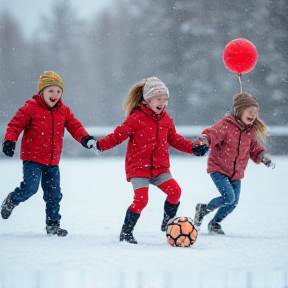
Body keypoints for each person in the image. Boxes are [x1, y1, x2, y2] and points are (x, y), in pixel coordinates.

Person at [94, 76, 208, 244]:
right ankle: (126, 233)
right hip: (138, 168)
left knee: (175, 192)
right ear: (147, 99)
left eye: (165, 100)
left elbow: (175, 139)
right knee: (141, 200)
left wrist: (193, 148)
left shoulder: (167, 119)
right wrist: (100, 145)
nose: (162, 103)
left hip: (160, 168)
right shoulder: (136, 118)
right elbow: (118, 135)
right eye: (159, 99)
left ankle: (168, 222)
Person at [1, 71, 96, 236]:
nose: (55, 95)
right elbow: (15, 124)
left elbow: (75, 126)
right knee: (30, 187)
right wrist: (10, 140)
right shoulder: (30, 108)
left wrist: (85, 139)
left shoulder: (64, 111)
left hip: (52, 161)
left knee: (54, 194)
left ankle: (53, 225)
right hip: (33, 158)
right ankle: (12, 200)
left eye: (59, 91)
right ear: (41, 92)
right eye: (51, 90)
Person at [193, 92, 275, 235]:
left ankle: (215, 223)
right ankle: (203, 209)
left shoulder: (250, 131)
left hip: (236, 173)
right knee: (228, 198)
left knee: (233, 203)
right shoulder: (225, 125)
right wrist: (205, 139)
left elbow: (254, 148)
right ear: (239, 111)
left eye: (255, 112)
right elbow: (212, 133)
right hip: (218, 168)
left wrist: (262, 156)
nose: (253, 115)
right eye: (250, 111)